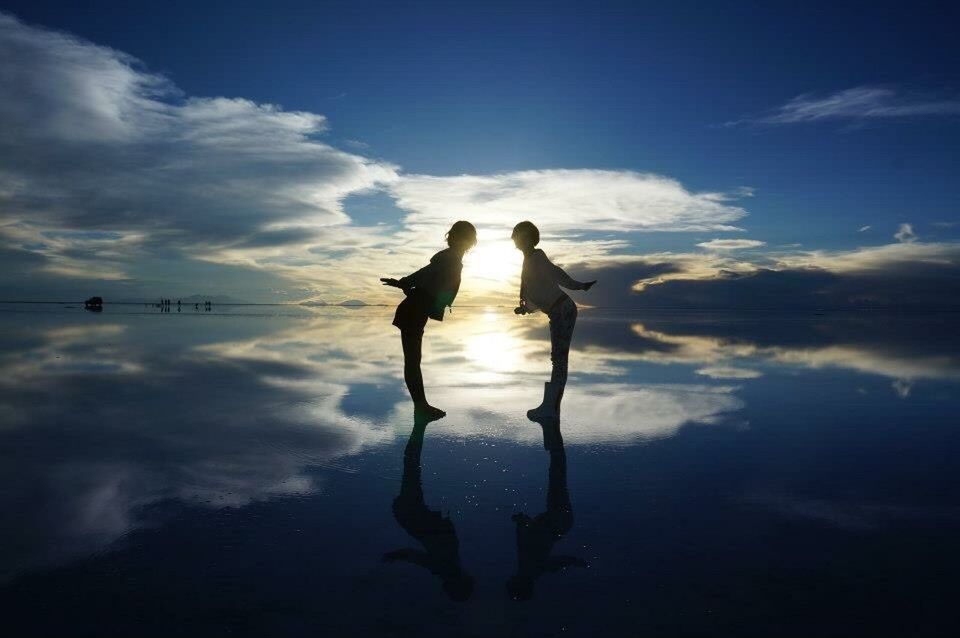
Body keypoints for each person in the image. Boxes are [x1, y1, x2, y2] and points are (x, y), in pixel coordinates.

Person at [381, 221, 477, 420]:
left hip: (416, 311)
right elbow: (423, 276)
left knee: (414, 361)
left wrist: (404, 283)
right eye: (465, 237)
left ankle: (421, 406)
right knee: (413, 362)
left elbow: (424, 280)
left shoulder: (452, 258)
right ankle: (421, 407)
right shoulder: (449, 259)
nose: (467, 242)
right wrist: (404, 282)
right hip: (413, 311)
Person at [512, 221, 596, 421]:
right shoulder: (528, 260)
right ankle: (550, 406)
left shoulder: (537, 256)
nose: (515, 239)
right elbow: (536, 290)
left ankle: (551, 408)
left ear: (528, 238)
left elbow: (556, 273)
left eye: (518, 235)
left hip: (563, 309)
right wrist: (524, 307)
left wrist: (580, 286)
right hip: (556, 311)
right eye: (515, 235)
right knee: (557, 359)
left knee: (559, 359)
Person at [384, 418, 474, 601]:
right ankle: (418, 429)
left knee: (411, 469)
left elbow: (412, 555)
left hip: (411, 514)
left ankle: (419, 427)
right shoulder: (447, 566)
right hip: (412, 515)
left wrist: (394, 555)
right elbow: (415, 553)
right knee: (411, 470)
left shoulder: (444, 567)